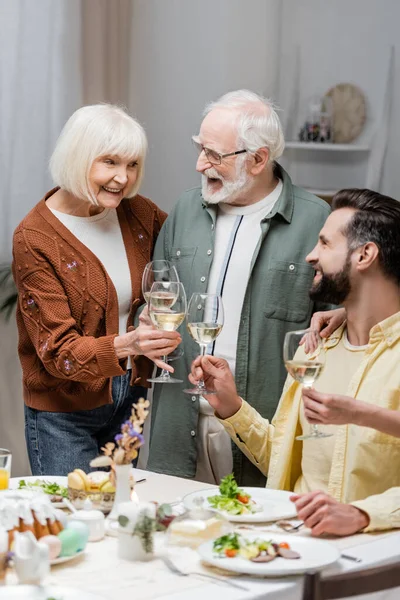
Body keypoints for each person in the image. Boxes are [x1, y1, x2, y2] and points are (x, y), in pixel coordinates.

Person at [146, 90, 332, 486]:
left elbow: (339, 326)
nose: (200, 165)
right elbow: (158, 297)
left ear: (259, 158)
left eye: (214, 155)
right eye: (200, 149)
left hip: (261, 427)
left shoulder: (317, 221)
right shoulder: (184, 210)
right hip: (178, 425)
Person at [189, 188, 400, 536]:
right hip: (292, 544)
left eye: (325, 244)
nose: (309, 256)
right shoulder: (315, 349)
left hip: (370, 565)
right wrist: (232, 407)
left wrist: (363, 514)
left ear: (365, 255)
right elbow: (283, 461)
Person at [12, 104, 181, 476]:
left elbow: (180, 258)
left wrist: (148, 312)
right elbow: (59, 353)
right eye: (109, 162)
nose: (122, 178)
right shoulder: (35, 237)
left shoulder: (139, 214)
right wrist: (131, 344)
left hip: (130, 398)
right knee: (78, 526)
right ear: (78, 158)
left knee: (119, 516)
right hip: (64, 413)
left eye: (132, 164)